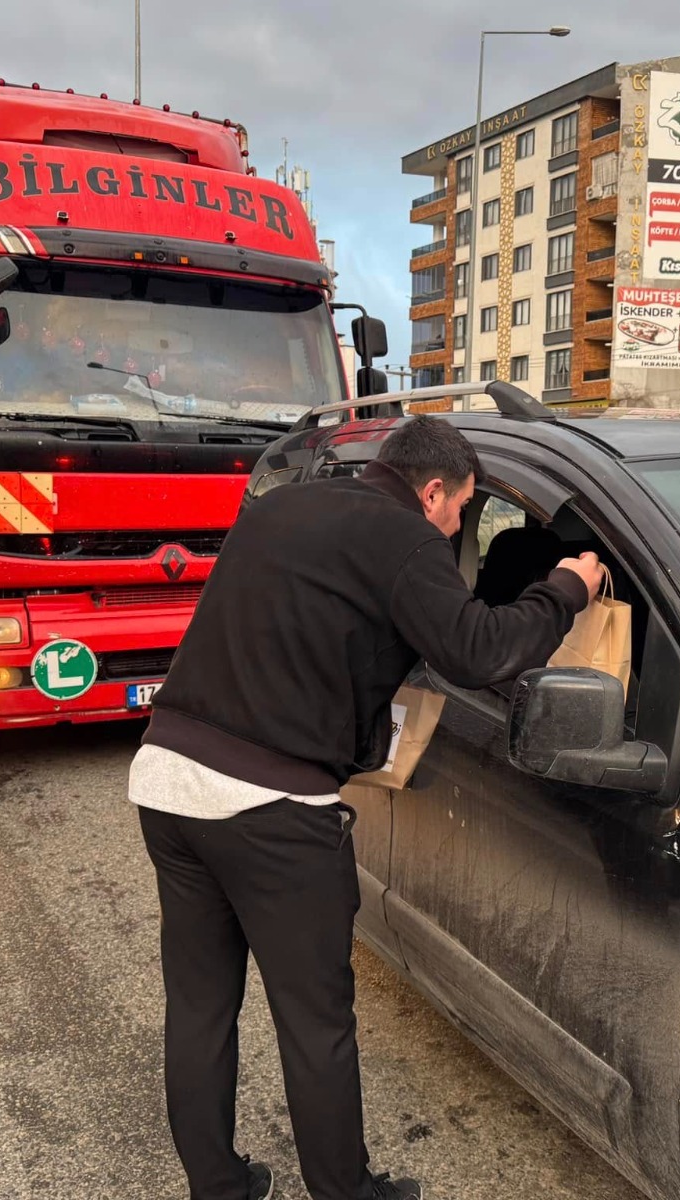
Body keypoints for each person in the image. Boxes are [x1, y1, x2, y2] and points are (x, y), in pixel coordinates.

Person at [129, 416, 603, 1200]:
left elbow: (303, 629)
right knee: (316, 1027)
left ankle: (219, 1186)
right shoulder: (405, 537)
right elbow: (479, 650)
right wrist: (565, 588)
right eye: (462, 512)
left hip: (167, 777)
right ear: (433, 490)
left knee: (200, 1005)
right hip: (273, 810)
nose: (458, 530)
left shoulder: (281, 508)